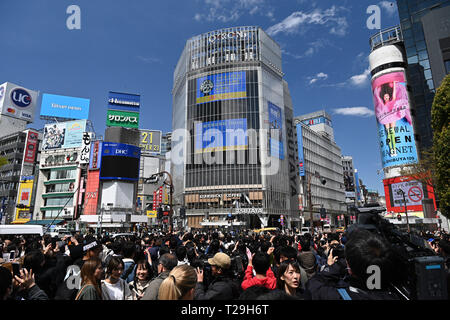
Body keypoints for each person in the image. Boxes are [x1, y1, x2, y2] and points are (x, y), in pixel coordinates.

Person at [305, 228, 399, 300]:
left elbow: (313, 285)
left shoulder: (336, 296)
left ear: (349, 267)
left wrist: (336, 266)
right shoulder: (395, 295)